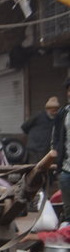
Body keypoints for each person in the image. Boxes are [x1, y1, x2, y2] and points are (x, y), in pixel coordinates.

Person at [51, 78, 70, 222]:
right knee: (68, 211)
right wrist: (55, 153)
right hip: (66, 170)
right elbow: (56, 137)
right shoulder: (63, 113)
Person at [22, 96, 59, 164]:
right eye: (53, 110)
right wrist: (33, 137)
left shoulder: (55, 119)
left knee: (45, 169)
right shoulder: (38, 116)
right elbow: (24, 127)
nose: (55, 112)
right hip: (34, 149)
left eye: (56, 110)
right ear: (48, 109)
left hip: (45, 150)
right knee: (33, 169)